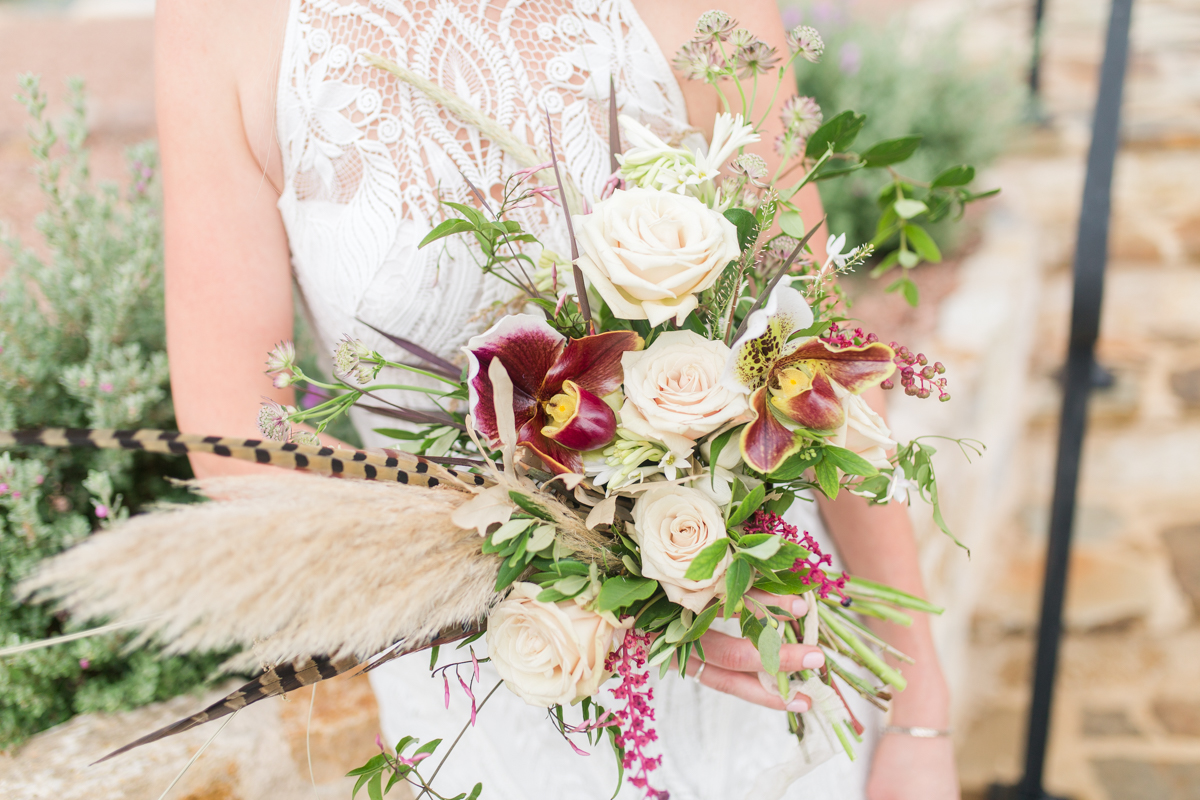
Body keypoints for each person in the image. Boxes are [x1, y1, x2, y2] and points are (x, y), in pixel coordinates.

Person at [155, 1, 959, 797]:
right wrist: (629, 597)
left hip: (756, 643)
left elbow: (809, 363)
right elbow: (241, 450)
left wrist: (920, 712)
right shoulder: (224, 24)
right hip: (485, 683)